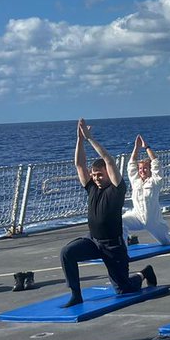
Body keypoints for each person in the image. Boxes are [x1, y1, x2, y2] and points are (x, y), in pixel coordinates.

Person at [61, 120, 155, 307]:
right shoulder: (92, 188)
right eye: (94, 175)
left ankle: (144, 273)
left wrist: (91, 139)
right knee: (67, 253)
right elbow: (80, 165)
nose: (96, 178)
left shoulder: (116, 189)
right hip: (93, 241)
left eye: (100, 175)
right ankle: (75, 294)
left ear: (108, 173)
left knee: (124, 289)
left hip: (113, 246)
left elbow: (109, 161)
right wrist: (79, 139)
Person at [123, 135, 170, 246]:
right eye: (140, 169)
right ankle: (125, 244)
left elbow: (156, 164)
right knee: (118, 222)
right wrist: (136, 148)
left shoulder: (155, 182)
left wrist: (147, 147)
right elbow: (131, 166)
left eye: (145, 168)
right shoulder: (136, 181)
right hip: (137, 217)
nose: (142, 171)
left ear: (149, 169)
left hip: (152, 220)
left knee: (166, 241)